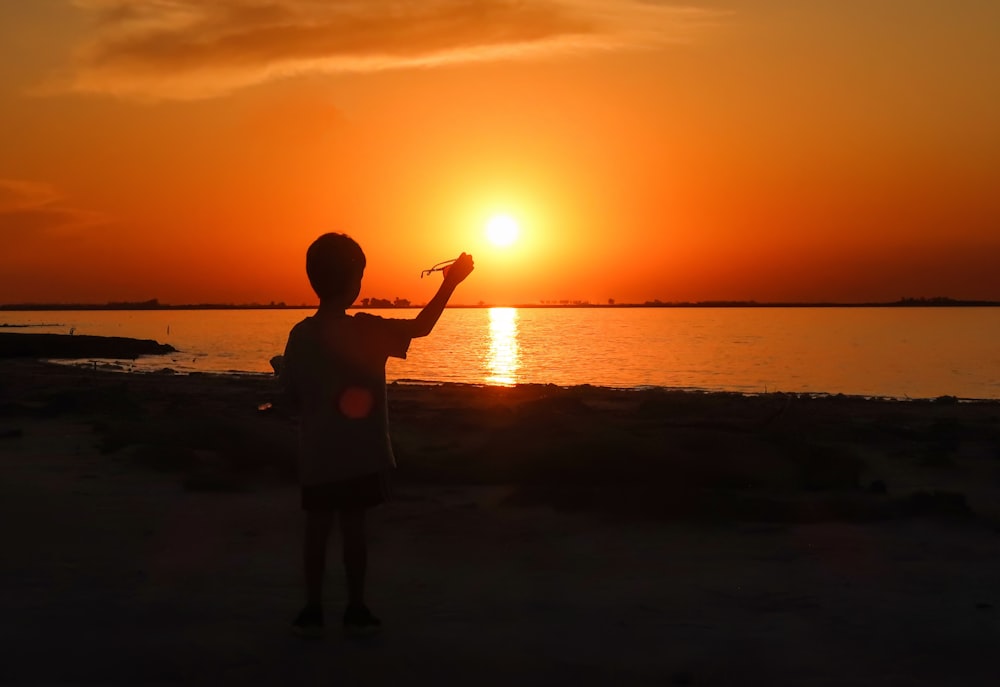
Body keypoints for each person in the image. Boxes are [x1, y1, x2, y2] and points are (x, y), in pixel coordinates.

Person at [280, 232, 474, 638]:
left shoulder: (300, 335)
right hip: (361, 456)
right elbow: (421, 327)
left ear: (314, 279)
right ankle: (355, 606)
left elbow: (292, 398)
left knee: (317, 531)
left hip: (318, 456)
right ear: (355, 280)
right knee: (354, 530)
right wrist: (450, 283)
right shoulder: (367, 330)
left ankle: (313, 608)